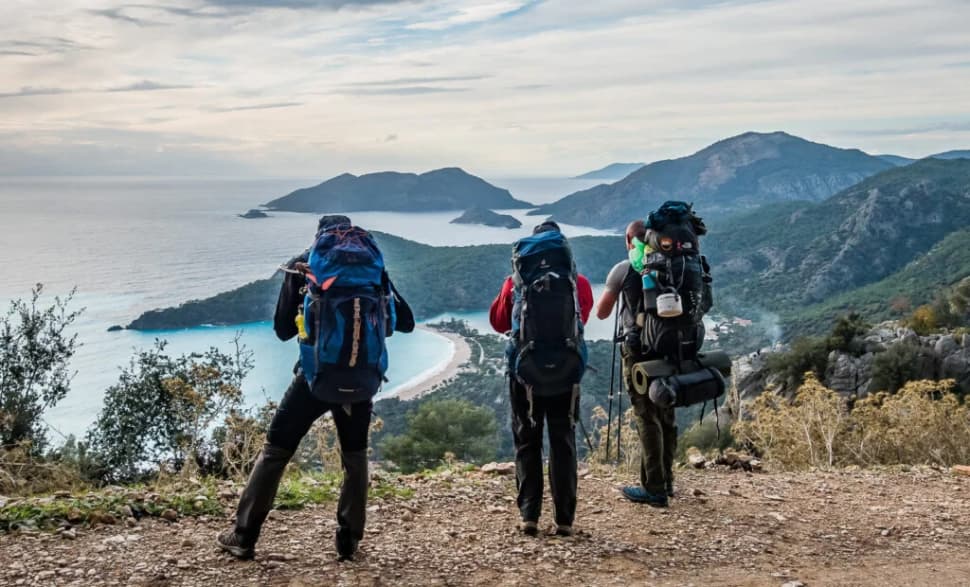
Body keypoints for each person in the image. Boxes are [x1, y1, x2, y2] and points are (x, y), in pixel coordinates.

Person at [217, 214, 414, 561]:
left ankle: (244, 534)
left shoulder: (305, 267)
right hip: (362, 379)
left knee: (276, 450)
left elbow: (282, 330)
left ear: (320, 237)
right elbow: (406, 323)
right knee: (354, 456)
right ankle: (349, 539)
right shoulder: (374, 273)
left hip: (315, 379)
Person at [489, 221, 594, 536]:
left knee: (527, 440)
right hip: (566, 371)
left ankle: (529, 515)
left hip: (526, 373)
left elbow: (497, 322)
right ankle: (564, 520)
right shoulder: (579, 283)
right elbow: (581, 321)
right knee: (563, 441)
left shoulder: (516, 283)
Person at [595, 219, 676, 508]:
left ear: (630, 240)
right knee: (666, 411)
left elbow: (602, 313)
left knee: (646, 415)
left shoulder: (624, 268)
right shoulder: (673, 265)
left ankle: (654, 489)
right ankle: (667, 480)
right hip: (672, 349)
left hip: (639, 352)